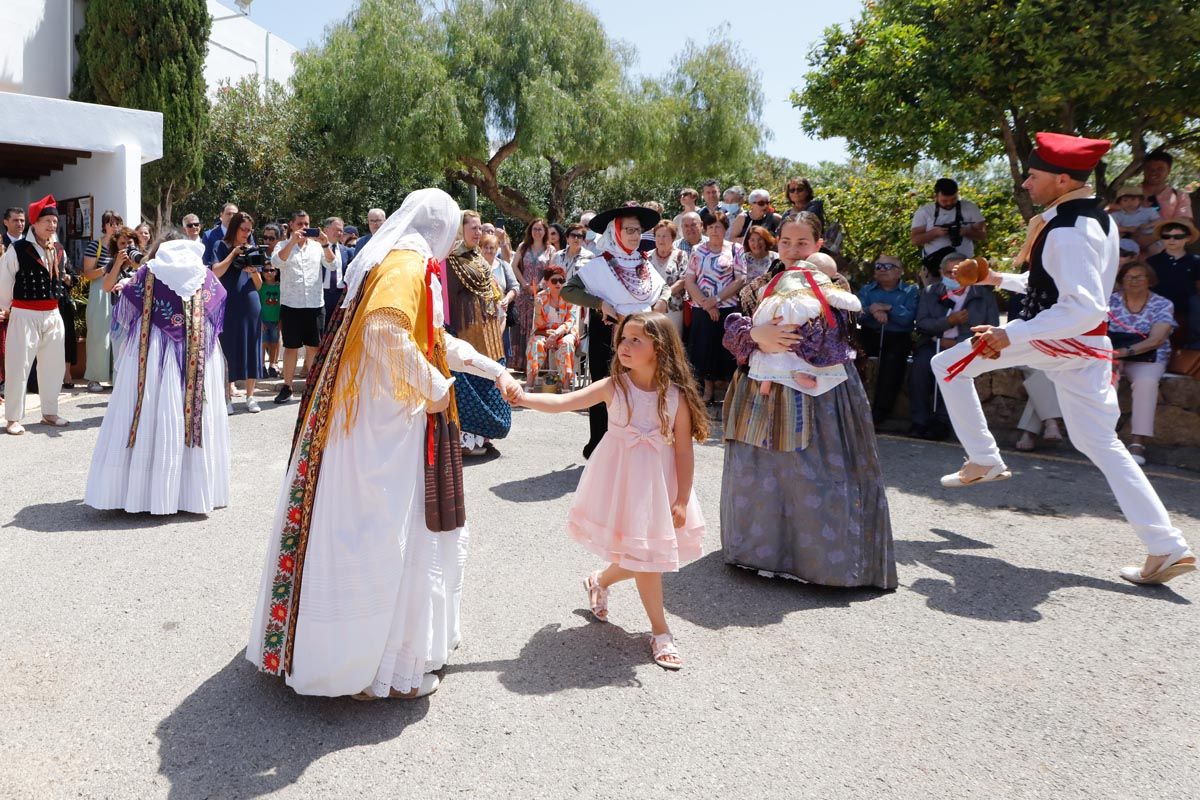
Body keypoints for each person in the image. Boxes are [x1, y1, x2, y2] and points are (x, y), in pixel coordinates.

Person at [246, 188, 522, 699]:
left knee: (366, 529)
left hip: (371, 417)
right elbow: (383, 334)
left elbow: (432, 342)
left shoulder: (394, 262)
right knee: (379, 533)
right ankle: (367, 671)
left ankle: (359, 658)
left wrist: (493, 369)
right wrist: (438, 390)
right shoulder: (406, 265)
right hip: (380, 425)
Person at [930, 131, 1193, 585]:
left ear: (1063, 178)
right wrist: (998, 278)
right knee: (1101, 444)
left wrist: (1010, 334)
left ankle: (985, 459)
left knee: (945, 365)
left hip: (1061, 337)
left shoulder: (1068, 231)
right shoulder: (1094, 220)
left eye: (1033, 176)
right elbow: (1056, 287)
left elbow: (1083, 305)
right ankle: (1167, 547)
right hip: (1087, 345)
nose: (1026, 184)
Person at [516, 312, 706, 670]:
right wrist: (522, 397)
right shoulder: (613, 386)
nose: (625, 346)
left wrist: (681, 498)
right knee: (645, 556)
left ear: (659, 348)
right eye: (623, 339)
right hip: (620, 480)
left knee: (644, 553)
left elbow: (683, 449)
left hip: (657, 483)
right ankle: (660, 631)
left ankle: (599, 580)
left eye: (636, 340)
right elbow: (561, 403)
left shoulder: (676, 396)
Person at [721, 212, 896, 589]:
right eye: (786, 242)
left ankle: (826, 563)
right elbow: (739, 335)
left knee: (818, 474)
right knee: (766, 473)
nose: (793, 250)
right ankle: (761, 554)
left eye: (802, 243)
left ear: (818, 245)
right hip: (764, 385)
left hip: (825, 391)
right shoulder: (759, 285)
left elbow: (844, 337)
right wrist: (757, 335)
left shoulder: (833, 283)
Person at [84, 234, 230, 514]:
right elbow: (216, 311)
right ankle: (190, 492)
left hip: (150, 352)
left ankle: (139, 490)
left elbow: (123, 306)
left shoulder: (147, 273)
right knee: (190, 410)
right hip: (196, 353)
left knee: (148, 405)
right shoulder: (205, 277)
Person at [561, 205, 670, 458]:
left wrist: (661, 302)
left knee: (640, 389)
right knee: (606, 392)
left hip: (644, 335)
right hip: (608, 334)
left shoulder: (642, 262)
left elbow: (663, 288)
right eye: (629, 230)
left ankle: (636, 447)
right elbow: (569, 290)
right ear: (616, 232)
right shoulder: (599, 265)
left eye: (638, 230)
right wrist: (600, 303)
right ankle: (599, 450)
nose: (634, 235)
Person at [908, 252, 999, 440]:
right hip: (933, 343)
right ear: (941, 272)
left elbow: (991, 328)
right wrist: (948, 321)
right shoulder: (931, 292)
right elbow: (922, 323)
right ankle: (919, 421)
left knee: (954, 374)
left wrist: (958, 342)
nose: (953, 277)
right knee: (919, 369)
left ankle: (942, 422)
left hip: (966, 348)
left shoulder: (984, 296)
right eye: (949, 273)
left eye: (958, 272)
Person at [0, 195, 71, 434]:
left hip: (52, 314)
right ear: (35, 223)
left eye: (54, 221)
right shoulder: (18, 249)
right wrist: (9, 309)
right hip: (24, 313)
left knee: (53, 366)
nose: (52, 225)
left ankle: (50, 412)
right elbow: (5, 282)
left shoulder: (59, 249)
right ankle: (12, 419)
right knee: (18, 366)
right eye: (47, 221)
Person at [445, 210, 511, 455]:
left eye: (480, 227)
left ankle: (481, 437)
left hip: (488, 329)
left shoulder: (478, 257)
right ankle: (465, 441)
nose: (477, 232)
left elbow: (491, 287)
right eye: (472, 227)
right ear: (459, 230)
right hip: (466, 329)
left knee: (489, 381)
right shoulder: (449, 259)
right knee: (470, 386)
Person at [746, 260, 861, 396]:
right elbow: (838, 298)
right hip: (797, 316)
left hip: (769, 315)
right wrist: (855, 304)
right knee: (805, 343)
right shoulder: (817, 280)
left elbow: (762, 292)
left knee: (775, 348)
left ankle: (768, 378)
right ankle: (801, 373)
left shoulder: (783, 276)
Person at [1109, 261, 1176, 465]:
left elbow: (1157, 338)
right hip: (1113, 354)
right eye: (1128, 277)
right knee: (1105, 380)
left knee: (1146, 383)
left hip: (1148, 355)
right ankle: (1104, 437)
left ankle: (1138, 442)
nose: (1134, 281)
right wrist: (1111, 355)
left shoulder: (1163, 304)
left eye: (1139, 276)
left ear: (1150, 280)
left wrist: (1126, 351)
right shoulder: (1109, 301)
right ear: (1121, 281)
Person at [271, 210, 336, 404]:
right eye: (300, 224)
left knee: (313, 347)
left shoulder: (317, 247)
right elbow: (276, 262)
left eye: (307, 224)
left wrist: (325, 243)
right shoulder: (282, 245)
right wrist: (292, 243)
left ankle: (313, 387)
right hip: (292, 304)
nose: (304, 228)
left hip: (315, 304)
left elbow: (332, 265)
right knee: (290, 347)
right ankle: (287, 387)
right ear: (291, 225)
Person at [683, 211, 746, 403]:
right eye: (710, 227)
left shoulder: (736, 249)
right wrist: (706, 304)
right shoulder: (698, 250)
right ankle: (707, 392)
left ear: (725, 229)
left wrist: (716, 300)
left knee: (727, 351)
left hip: (728, 309)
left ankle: (728, 394)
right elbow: (689, 280)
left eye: (718, 226)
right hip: (703, 310)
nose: (714, 230)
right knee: (704, 350)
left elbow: (741, 279)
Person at [211, 212, 264, 414]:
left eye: (249, 230)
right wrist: (233, 254)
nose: (246, 233)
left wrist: (254, 271)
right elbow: (215, 272)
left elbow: (258, 286)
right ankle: (227, 398)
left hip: (250, 302)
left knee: (252, 347)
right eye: (243, 229)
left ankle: (251, 396)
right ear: (234, 228)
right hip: (227, 304)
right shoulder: (220, 246)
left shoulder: (253, 249)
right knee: (228, 349)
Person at [856, 254, 918, 427]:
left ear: (899, 272)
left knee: (892, 367)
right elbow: (857, 315)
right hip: (870, 333)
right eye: (878, 266)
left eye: (887, 266)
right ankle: (854, 408)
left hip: (897, 337)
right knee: (852, 359)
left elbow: (908, 319)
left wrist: (888, 308)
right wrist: (872, 310)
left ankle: (879, 415)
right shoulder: (867, 290)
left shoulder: (910, 291)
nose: (881, 269)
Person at [911, 177, 987, 271]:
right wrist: (935, 233)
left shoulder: (970, 207)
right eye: (944, 201)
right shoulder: (925, 212)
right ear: (936, 197)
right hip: (935, 265)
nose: (949, 203)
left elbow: (983, 235)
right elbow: (914, 240)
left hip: (965, 265)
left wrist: (966, 232)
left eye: (954, 199)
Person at [1145, 218, 1200, 347]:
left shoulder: (1196, 261)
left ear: (1188, 238)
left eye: (1178, 236)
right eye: (1166, 236)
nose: (1171, 240)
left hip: (1189, 313)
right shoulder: (1152, 262)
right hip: (1157, 312)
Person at [526, 265, 580, 390]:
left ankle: (566, 386)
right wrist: (538, 310)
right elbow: (539, 326)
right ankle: (529, 384)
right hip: (545, 332)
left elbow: (570, 321)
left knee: (566, 344)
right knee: (535, 343)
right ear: (546, 283)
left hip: (565, 333)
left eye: (561, 281)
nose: (558, 284)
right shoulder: (541, 297)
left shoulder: (570, 297)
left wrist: (556, 334)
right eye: (554, 281)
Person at [510, 218, 554, 373]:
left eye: (540, 229)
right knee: (522, 326)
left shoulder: (550, 250)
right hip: (523, 292)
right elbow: (514, 266)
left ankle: (538, 365)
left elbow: (551, 270)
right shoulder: (523, 247)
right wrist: (523, 283)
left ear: (545, 231)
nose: (537, 232)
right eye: (534, 229)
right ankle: (521, 363)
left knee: (537, 326)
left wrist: (540, 285)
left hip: (541, 294)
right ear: (530, 230)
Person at [1138, 150, 1193, 254]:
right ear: (1144, 170)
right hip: (1129, 257)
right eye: (1150, 168)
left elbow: (1183, 223)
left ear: (1168, 170)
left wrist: (1149, 239)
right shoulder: (1128, 193)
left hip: (1166, 253)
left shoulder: (1180, 196)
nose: (1154, 172)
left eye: (1160, 169)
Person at [482, 232, 518, 361]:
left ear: (497, 248)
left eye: (492, 247)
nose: (488, 250)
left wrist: (507, 299)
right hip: (481, 312)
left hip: (500, 311)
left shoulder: (504, 265)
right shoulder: (476, 266)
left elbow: (515, 287)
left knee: (497, 344)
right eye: (485, 247)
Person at [647, 220, 688, 334]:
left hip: (673, 307)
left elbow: (682, 281)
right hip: (651, 306)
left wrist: (663, 297)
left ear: (673, 238)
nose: (661, 239)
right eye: (658, 236)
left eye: (665, 236)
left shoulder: (680, 255)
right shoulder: (647, 256)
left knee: (672, 340)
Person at [258, 224, 283, 377]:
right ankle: (261, 365)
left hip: (276, 316)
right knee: (263, 342)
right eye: (265, 237)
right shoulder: (259, 253)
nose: (267, 241)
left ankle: (274, 364)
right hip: (264, 316)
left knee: (275, 341)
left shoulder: (283, 252)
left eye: (271, 238)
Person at [1110, 185, 1159, 251]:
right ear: (1119, 202)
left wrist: (1148, 225)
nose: (1129, 202)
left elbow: (1159, 221)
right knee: (1123, 247)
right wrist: (1127, 229)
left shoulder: (1149, 211)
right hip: (1128, 238)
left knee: (1155, 248)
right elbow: (1113, 227)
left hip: (1149, 237)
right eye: (1125, 200)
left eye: (1133, 199)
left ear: (1140, 200)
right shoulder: (1116, 215)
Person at [320, 216, 350, 320]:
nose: (338, 233)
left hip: (340, 296)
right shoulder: (316, 249)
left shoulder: (347, 251)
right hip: (321, 294)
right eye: (335, 230)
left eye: (341, 230)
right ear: (325, 230)